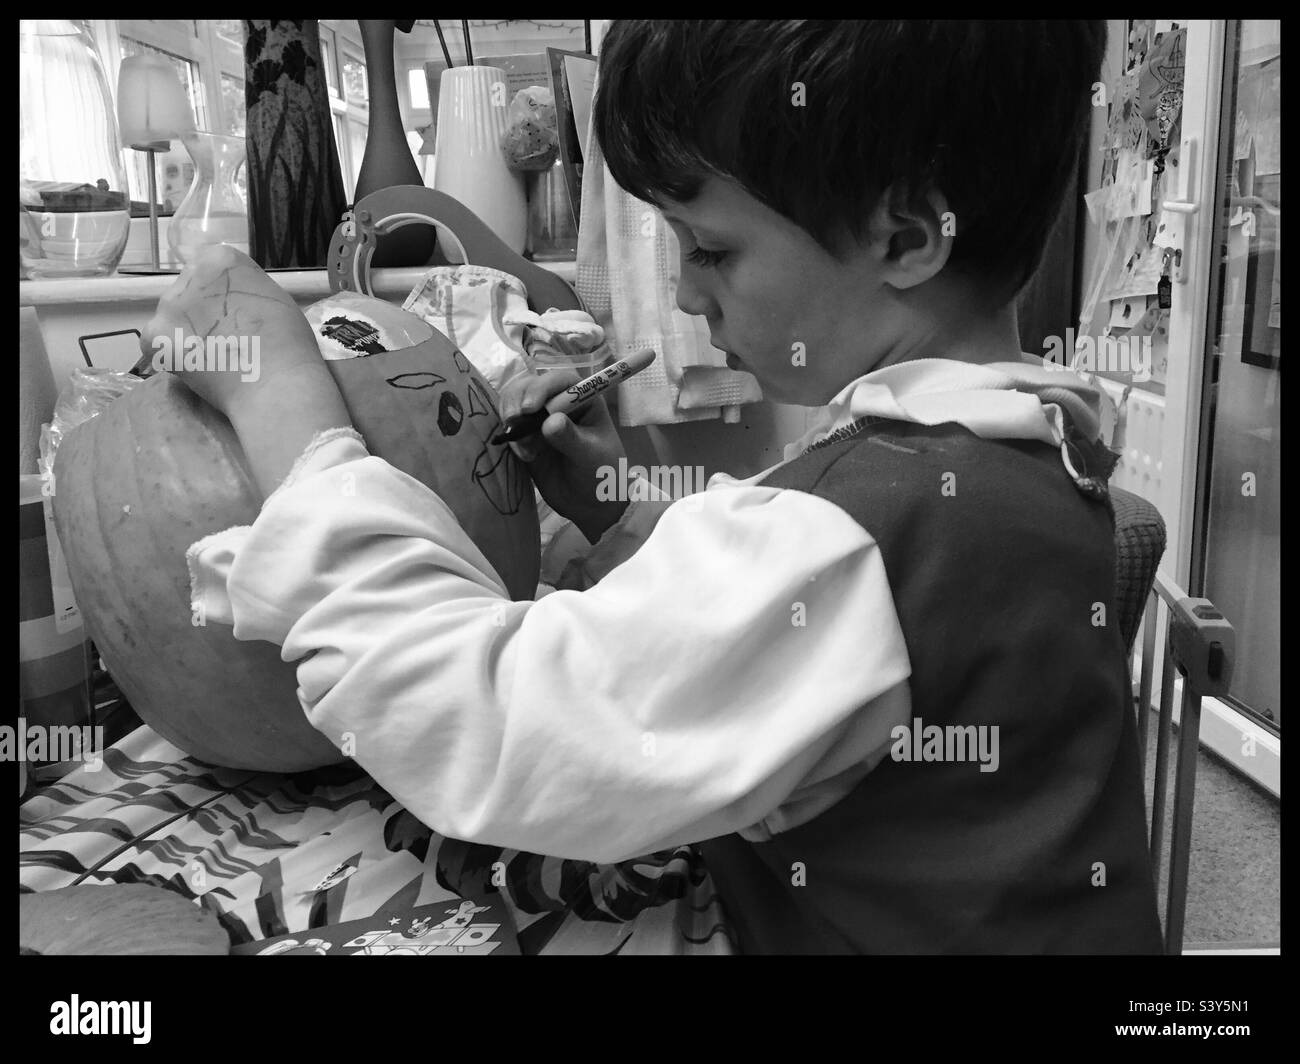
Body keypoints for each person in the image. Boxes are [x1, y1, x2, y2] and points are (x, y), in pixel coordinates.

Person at [145, 19, 1162, 953]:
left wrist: (280, 400)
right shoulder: (1025, 436)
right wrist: (618, 512)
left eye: (711, 247)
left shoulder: (852, 527)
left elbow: (484, 714)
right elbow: (802, 635)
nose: (681, 290)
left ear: (904, 238)